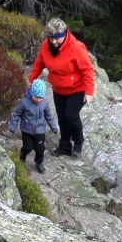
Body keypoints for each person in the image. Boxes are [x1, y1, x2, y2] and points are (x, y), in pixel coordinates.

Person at [28, 17, 95, 157]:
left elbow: (87, 70)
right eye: (51, 38)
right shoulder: (46, 46)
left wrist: (89, 92)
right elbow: (39, 63)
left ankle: (78, 142)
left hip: (77, 88)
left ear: (64, 34)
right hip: (58, 88)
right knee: (61, 117)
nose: (53, 41)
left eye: (57, 38)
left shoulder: (76, 47)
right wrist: (31, 79)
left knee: (71, 115)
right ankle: (64, 146)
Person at [8, 79, 59, 173]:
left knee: (40, 149)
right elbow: (16, 115)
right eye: (36, 97)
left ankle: (39, 163)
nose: (38, 100)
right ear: (32, 93)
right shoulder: (24, 102)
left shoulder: (45, 103)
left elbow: (49, 116)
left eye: (41, 97)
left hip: (40, 130)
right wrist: (12, 128)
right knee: (28, 147)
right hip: (27, 130)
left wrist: (53, 127)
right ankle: (23, 155)